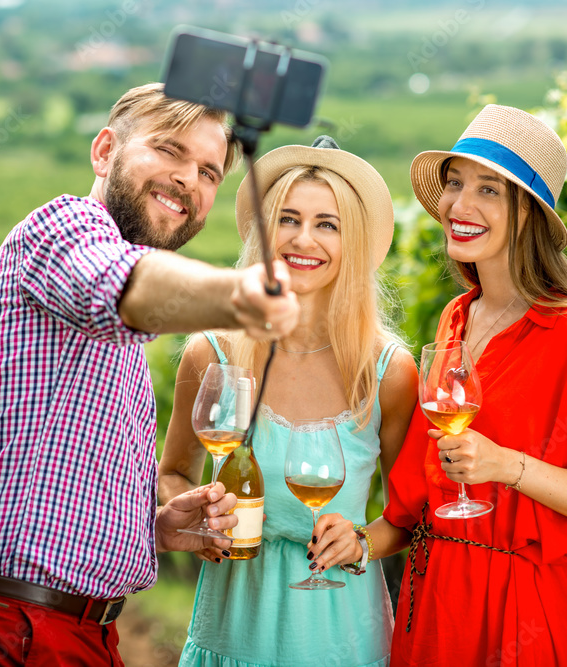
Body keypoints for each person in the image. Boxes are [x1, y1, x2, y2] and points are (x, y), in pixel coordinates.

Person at [0, 83, 301, 666]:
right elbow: (125, 283)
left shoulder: (122, 317)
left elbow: (63, 481)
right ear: (104, 152)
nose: (188, 180)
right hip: (22, 627)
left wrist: (154, 527)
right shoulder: (64, 228)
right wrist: (238, 295)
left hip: (58, 626)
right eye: (169, 150)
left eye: (208, 171)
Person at [313, 104, 567, 665]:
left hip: (522, 611)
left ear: (527, 214)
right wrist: (360, 542)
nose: (459, 206)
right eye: (454, 183)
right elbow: (417, 507)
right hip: (434, 598)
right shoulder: (455, 317)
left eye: (489, 190)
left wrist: (507, 466)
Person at [158, 136, 419, 667]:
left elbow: (408, 515)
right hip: (233, 633)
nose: (304, 239)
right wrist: (197, 518)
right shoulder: (214, 353)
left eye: (328, 224)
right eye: (288, 219)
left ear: (354, 242)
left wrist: (361, 542)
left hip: (345, 641)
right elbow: (174, 475)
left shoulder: (388, 371)